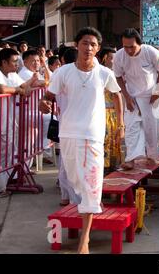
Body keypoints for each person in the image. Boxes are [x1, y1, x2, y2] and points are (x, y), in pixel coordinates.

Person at [39, 27, 124, 254]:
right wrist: (43, 104)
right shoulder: (63, 72)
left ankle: (84, 240)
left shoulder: (104, 73)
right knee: (75, 181)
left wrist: (121, 125)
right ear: (77, 45)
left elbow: (117, 95)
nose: (89, 48)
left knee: (90, 185)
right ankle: (91, 203)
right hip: (67, 134)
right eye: (85, 43)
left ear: (98, 49)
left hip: (93, 136)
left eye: (93, 44)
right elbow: (48, 97)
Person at [0, 48, 37, 198]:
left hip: (6, 121)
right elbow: (1, 89)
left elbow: (23, 86)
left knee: (5, 154)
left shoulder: (12, 75)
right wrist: (18, 90)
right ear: (4, 62)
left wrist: (35, 81)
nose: (17, 64)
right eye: (14, 61)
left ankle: (4, 182)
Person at [113, 28, 159, 169]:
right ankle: (131, 158)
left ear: (139, 44)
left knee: (151, 127)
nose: (129, 50)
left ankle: (152, 157)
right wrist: (126, 96)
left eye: (132, 47)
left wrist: (157, 90)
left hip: (151, 95)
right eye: (125, 47)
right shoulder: (119, 56)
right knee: (131, 127)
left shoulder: (151, 52)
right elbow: (118, 76)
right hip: (132, 96)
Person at [99, 47, 122, 171]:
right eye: (112, 58)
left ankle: (110, 167)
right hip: (103, 113)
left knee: (113, 141)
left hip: (112, 113)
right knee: (105, 141)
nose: (115, 61)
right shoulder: (103, 73)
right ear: (105, 58)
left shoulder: (114, 73)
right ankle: (104, 168)